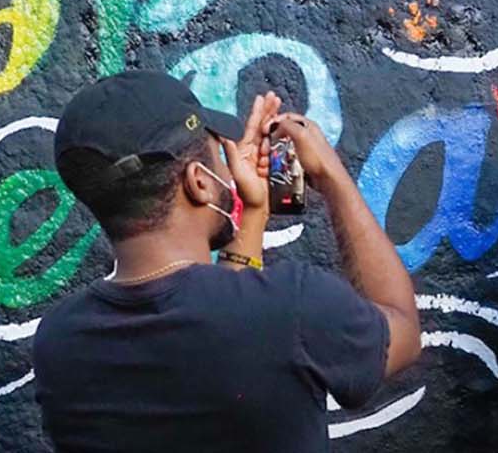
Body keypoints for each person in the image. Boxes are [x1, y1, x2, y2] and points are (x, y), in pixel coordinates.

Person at [34, 70, 421, 452]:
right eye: (218, 151)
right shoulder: (292, 307)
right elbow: (401, 333)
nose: (226, 163)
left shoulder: (60, 342)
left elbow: (219, 324)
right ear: (199, 181)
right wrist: (332, 176)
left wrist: (253, 213)